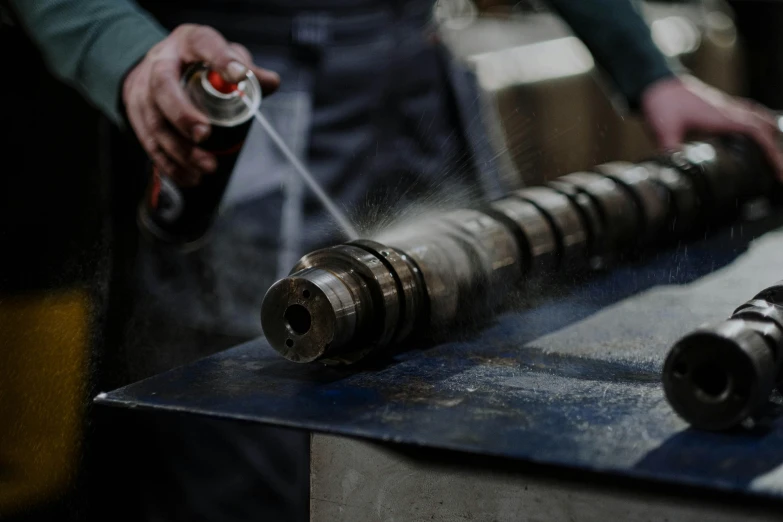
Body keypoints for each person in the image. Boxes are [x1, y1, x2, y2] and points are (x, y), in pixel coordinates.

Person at [7, 1, 783, 521]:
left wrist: (643, 68)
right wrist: (125, 53)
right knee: (263, 407)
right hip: (249, 79)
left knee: (487, 369)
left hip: (418, 68)